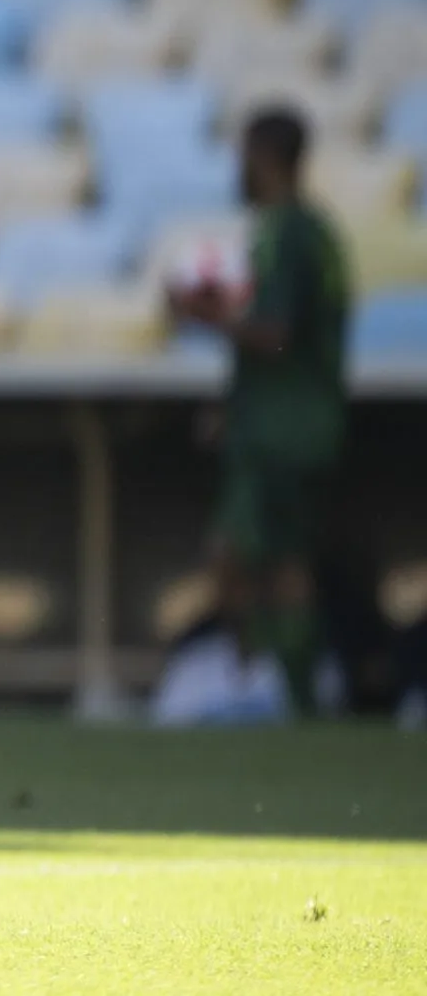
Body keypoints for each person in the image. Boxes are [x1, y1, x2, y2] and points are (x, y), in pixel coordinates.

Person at [166, 108, 350, 715]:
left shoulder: (292, 234)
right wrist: (233, 402)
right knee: (277, 557)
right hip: (285, 420)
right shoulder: (300, 231)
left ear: (268, 158)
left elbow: (275, 333)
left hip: (286, 428)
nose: (236, 169)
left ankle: (266, 682)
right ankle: (289, 687)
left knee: (243, 553)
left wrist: (201, 314)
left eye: (243, 155)